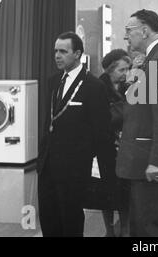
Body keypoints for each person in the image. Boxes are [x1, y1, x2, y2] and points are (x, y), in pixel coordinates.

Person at [116, 9, 158, 237]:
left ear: (144, 30)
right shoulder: (154, 58)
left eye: (129, 30)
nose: (125, 36)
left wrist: (157, 162)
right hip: (143, 158)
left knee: (150, 227)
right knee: (143, 225)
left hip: (149, 161)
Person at [37, 31, 111, 237]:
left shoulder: (93, 86)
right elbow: (49, 122)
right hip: (48, 165)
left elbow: (102, 132)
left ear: (77, 54)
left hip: (74, 168)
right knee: (48, 218)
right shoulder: (53, 81)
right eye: (55, 51)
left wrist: (92, 164)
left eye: (63, 51)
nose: (57, 56)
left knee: (70, 219)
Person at [97, 49, 132, 237]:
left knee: (125, 193)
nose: (125, 74)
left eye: (127, 69)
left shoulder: (127, 88)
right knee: (107, 193)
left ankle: (124, 229)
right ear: (110, 70)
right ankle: (109, 231)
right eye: (122, 70)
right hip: (107, 147)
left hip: (126, 147)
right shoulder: (99, 88)